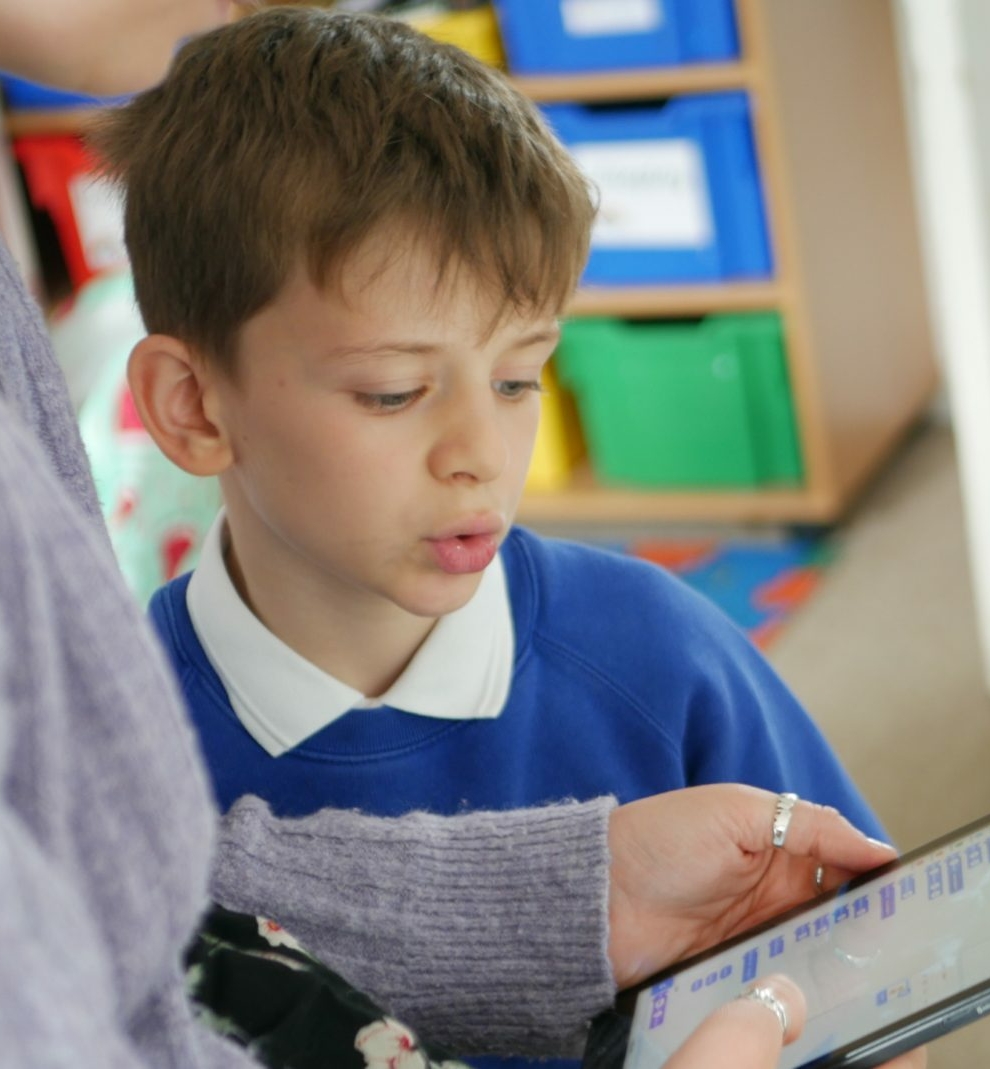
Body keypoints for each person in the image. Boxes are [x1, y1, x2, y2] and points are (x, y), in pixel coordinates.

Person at [0, 10, 923, 1069]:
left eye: (519, 377)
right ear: (195, 407)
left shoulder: (660, 652)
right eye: (393, 392)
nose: (481, 452)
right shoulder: (111, 745)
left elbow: (880, 989)